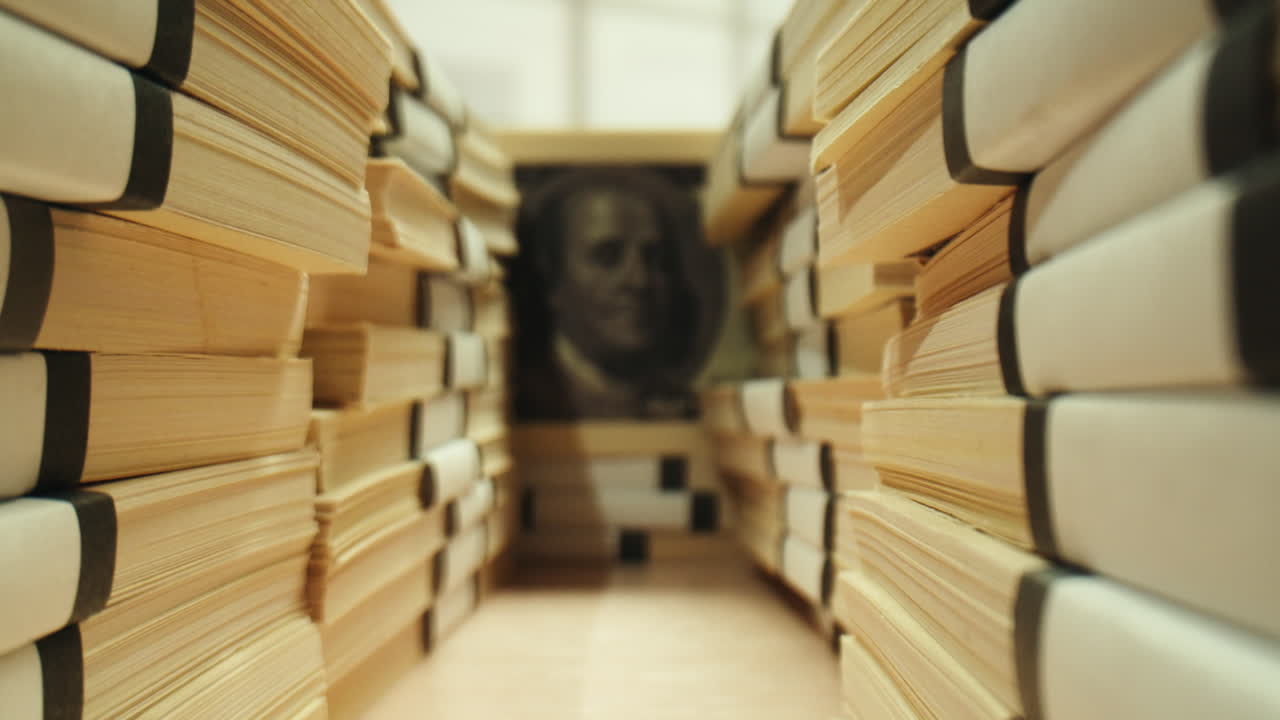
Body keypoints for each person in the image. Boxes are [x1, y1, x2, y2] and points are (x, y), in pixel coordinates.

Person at [514, 169, 705, 420]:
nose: (640, 280)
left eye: (656, 258)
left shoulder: (681, 405)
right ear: (553, 280)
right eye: (607, 256)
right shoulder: (527, 403)